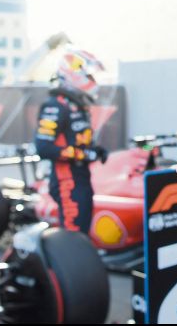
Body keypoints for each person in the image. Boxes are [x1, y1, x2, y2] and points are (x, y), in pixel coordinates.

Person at [34, 46, 108, 235]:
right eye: (88, 75)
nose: (92, 80)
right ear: (74, 74)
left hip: (80, 177)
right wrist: (84, 154)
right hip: (66, 179)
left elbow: (74, 140)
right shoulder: (55, 106)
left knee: (82, 229)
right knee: (73, 234)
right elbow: (43, 147)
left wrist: (95, 150)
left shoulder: (77, 105)